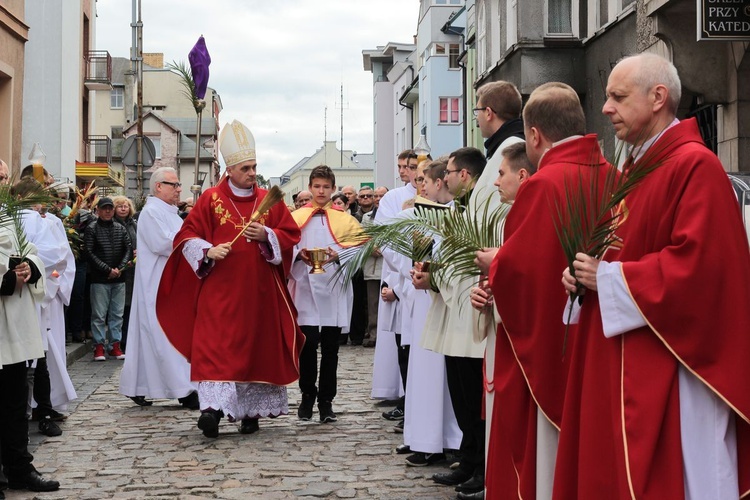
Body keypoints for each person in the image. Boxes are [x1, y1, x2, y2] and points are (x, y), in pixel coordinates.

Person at [557, 54, 750, 498]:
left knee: (688, 474)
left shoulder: (693, 165)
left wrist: (606, 278)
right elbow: (619, 248)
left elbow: (700, 268)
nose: (605, 108)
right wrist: (583, 277)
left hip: (681, 362)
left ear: (658, 97)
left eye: (618, 97)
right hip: (636, 349)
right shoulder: (641, 168)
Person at [474, 82, 612, 498]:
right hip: (598, 337)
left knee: (542, 463)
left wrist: (493, 263)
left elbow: (524, 269)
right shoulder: (614, 177)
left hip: (549, 343)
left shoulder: (544, 183)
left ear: (533, 135)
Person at [156, 119, 304, 438]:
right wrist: (208, 251)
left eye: (254, 167)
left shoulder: (269, 199)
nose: (252, 173)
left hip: (258, 293)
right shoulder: (210, 199)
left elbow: (291, 235)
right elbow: (185, 236)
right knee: (214, 346)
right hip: (219, 292)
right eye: (246, 168)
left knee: (253, 350)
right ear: (230, 169)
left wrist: (268, 234)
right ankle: (211, 410)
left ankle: (251, 411)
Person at [416, 147, 491, 496]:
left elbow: (470, 263)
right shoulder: (458, 208)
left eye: (449, 171)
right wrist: (429, 275)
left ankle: (480, 465)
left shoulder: (481, 208)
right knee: (460, 393)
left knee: (472, 396)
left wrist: (434, 279)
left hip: (469, 313)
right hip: (454, 311)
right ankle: (469, 458)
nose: (443, 177)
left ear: (465, 175)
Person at [0, 169, 60, 494]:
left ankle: (19, 468)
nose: (3, 182)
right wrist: (7, 276)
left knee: (14, 401)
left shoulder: (9, 215)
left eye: (4, 176)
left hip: (14, 326)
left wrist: (30, 267)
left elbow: (32, 249)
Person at [119, 167, 198, 410]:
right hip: (157, 283)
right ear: (158, 187)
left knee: (154, 336)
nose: (178, 189)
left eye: (178, 185)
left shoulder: (170, 212)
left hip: (172, 282)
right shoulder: (152, 212)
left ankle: (139, 386)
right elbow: (164, 243)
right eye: (173, 184)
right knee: (164, 334)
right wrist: (194, 242)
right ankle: (184, 390)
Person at [289, 165, 362, 422]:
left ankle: (326, 401)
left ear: (333, 189)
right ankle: (307, 395)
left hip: (334, 286)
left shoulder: (345, 219)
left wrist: (338, 255)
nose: (321, 191)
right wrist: (298, 255)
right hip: (306, 286)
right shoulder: (297, 217)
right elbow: (286, 246)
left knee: (331, 347)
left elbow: (360, 248)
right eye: (316, 186)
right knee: (307, 344)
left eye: (326, 187)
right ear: (310, 188)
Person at [372, 150, 419, 425]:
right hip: (398, 274)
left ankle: (411, 402)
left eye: (411, 167)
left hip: (416, 280)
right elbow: (384, 239)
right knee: (402, 343)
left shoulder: (434, 200)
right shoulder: (392, 198)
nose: (406, 172)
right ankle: (402, 397)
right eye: (402, 166)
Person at [84, 197, 132, 361]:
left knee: (117, 314)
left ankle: (114, 346)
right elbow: (89, 253)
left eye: (110, 208)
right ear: (97, 210)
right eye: (104, 208)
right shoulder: (91, 228)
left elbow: (128, 249)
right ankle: (98, 347)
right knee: (99, 314)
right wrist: (107, 269)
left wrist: (120, 268)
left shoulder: (120, 228)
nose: (108, 211)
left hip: (119, 278)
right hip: (100, 279)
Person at [113, 196, 137, 351]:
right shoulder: (113, 224)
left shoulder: (133, 224)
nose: (123, 208)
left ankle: (128, 338)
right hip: (119, 268)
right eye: (120, 206)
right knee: (118, 306)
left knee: (129, 305)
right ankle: (118, 339)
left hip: (132, 269)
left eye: (126, 206)